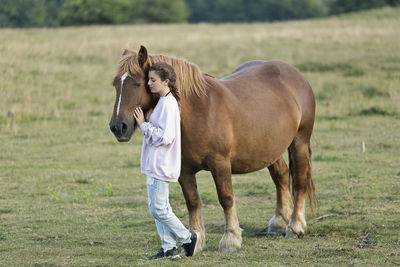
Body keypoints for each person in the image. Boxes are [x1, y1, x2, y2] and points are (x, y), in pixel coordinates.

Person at [133, 62, 200, 260]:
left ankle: (187, 238)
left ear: (166, 82)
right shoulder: (163, 102)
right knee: (161, 207)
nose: (149, 84)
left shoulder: (168, 105)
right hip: (155, 163)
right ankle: (168, 246)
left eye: (153, 80)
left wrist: (143, 125)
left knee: (158, 208)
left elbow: (166, 137)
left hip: (160, 165)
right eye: (149, 80)